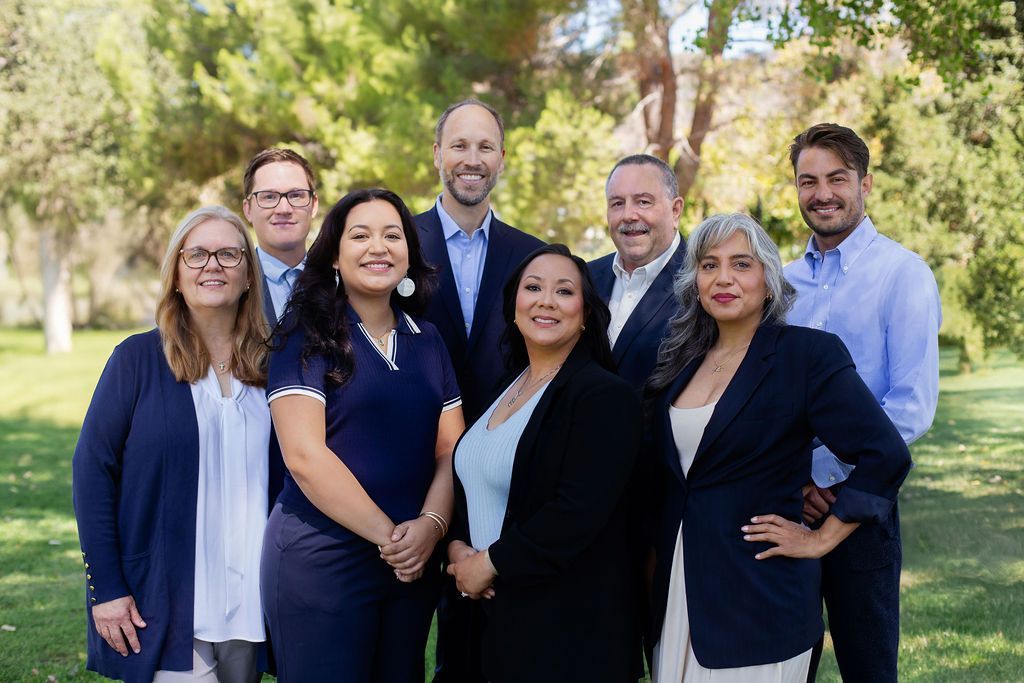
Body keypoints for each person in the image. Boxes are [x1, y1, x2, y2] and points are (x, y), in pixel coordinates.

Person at [644, 213, 912, 682]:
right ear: (696, 282)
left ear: (769, 281)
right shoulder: (681, 361)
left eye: (741, 264)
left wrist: (821, 538)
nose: (723, 278)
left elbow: (885, 454)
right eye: (709, 265)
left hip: (759, 598)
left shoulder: (806, 355)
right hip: (680, 595)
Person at [260, 188, 465, 682]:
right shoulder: (303, 335)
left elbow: (450, 450)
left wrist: (431, 527)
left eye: (392, 235)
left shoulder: (428, 340)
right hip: (323, 560)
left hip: (411, 566)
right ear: (334, 253)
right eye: (361, 235)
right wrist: (392, 539)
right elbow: (305, 458)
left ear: (410, 256)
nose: (379, 247)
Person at [73, 206, 273, 682]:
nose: (213, 265)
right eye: (197, 254)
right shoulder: (137, 359)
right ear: (176, 275)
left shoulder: (275, 365)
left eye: (229, 253)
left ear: (248, 275)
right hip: (166, 595)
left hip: (253, 600)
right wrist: (107, 588)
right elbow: (91, 471)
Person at [784, 123, 941, 681]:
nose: (822, 193)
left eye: (837, 178)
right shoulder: (782, 283)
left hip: (862, 505)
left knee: (869, 667)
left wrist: (824, 476)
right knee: (784, 664)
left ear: (865, 183)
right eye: (808, 180)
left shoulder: (903, 274)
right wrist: (796, 481)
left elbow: (911, 406)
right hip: (787, 504)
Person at [446, 244, 643, 682]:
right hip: (485, 620)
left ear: (587, 312)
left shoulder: (605, 397)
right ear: (513, 305)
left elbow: (576, 513)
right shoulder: (506, 386)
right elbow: (473, 484)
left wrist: (489, 563)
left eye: (564, 291)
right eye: (533, 287)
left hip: (563, 631)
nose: (546, 301)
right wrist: (458, 548)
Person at [414, 98, 542, 681]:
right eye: (459, 145)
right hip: (407, 482)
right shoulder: (394, 244)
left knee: (490, 648)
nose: (472, 158)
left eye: (485, 146)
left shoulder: (534, 256)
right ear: (437, 153)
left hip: (501, 478)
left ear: (502, 159)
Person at [589, 153, 686, 388]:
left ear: (675, 211)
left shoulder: (703, 281)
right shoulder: (585, 278)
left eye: (643, 202)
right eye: (617, 203)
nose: (629, 215)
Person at [241, 147, 320, 323]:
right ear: (248, 209)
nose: (284, 209)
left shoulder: (339, 283)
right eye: (269, 197)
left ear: (313, 205)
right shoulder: (233, 284)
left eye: (296, 195)